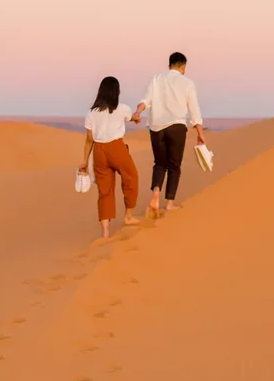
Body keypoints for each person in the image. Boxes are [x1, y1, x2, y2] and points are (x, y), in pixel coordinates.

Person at [131, 52, 206, 216]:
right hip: (177, 127)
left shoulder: (157, 78)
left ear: (169, 65)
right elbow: (194, 109)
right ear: (183, 66)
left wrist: (137, 113)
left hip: (156, 127)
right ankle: (170, 203)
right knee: (174, 166)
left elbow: (146, 100)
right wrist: (200, 132)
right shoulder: (187, 83)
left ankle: (155, 192)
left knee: (159, 163)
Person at [78, 76, 142, 241]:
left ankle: (105, 232)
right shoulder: (122, 108)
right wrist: (137, 116)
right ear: (116, 92)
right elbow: (134, 118)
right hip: (116, 148)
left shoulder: (91, 113)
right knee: (131, 177)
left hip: (99, 151)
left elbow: (89, 139)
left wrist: (84, 161)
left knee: (104, 191)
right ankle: (128, 216)